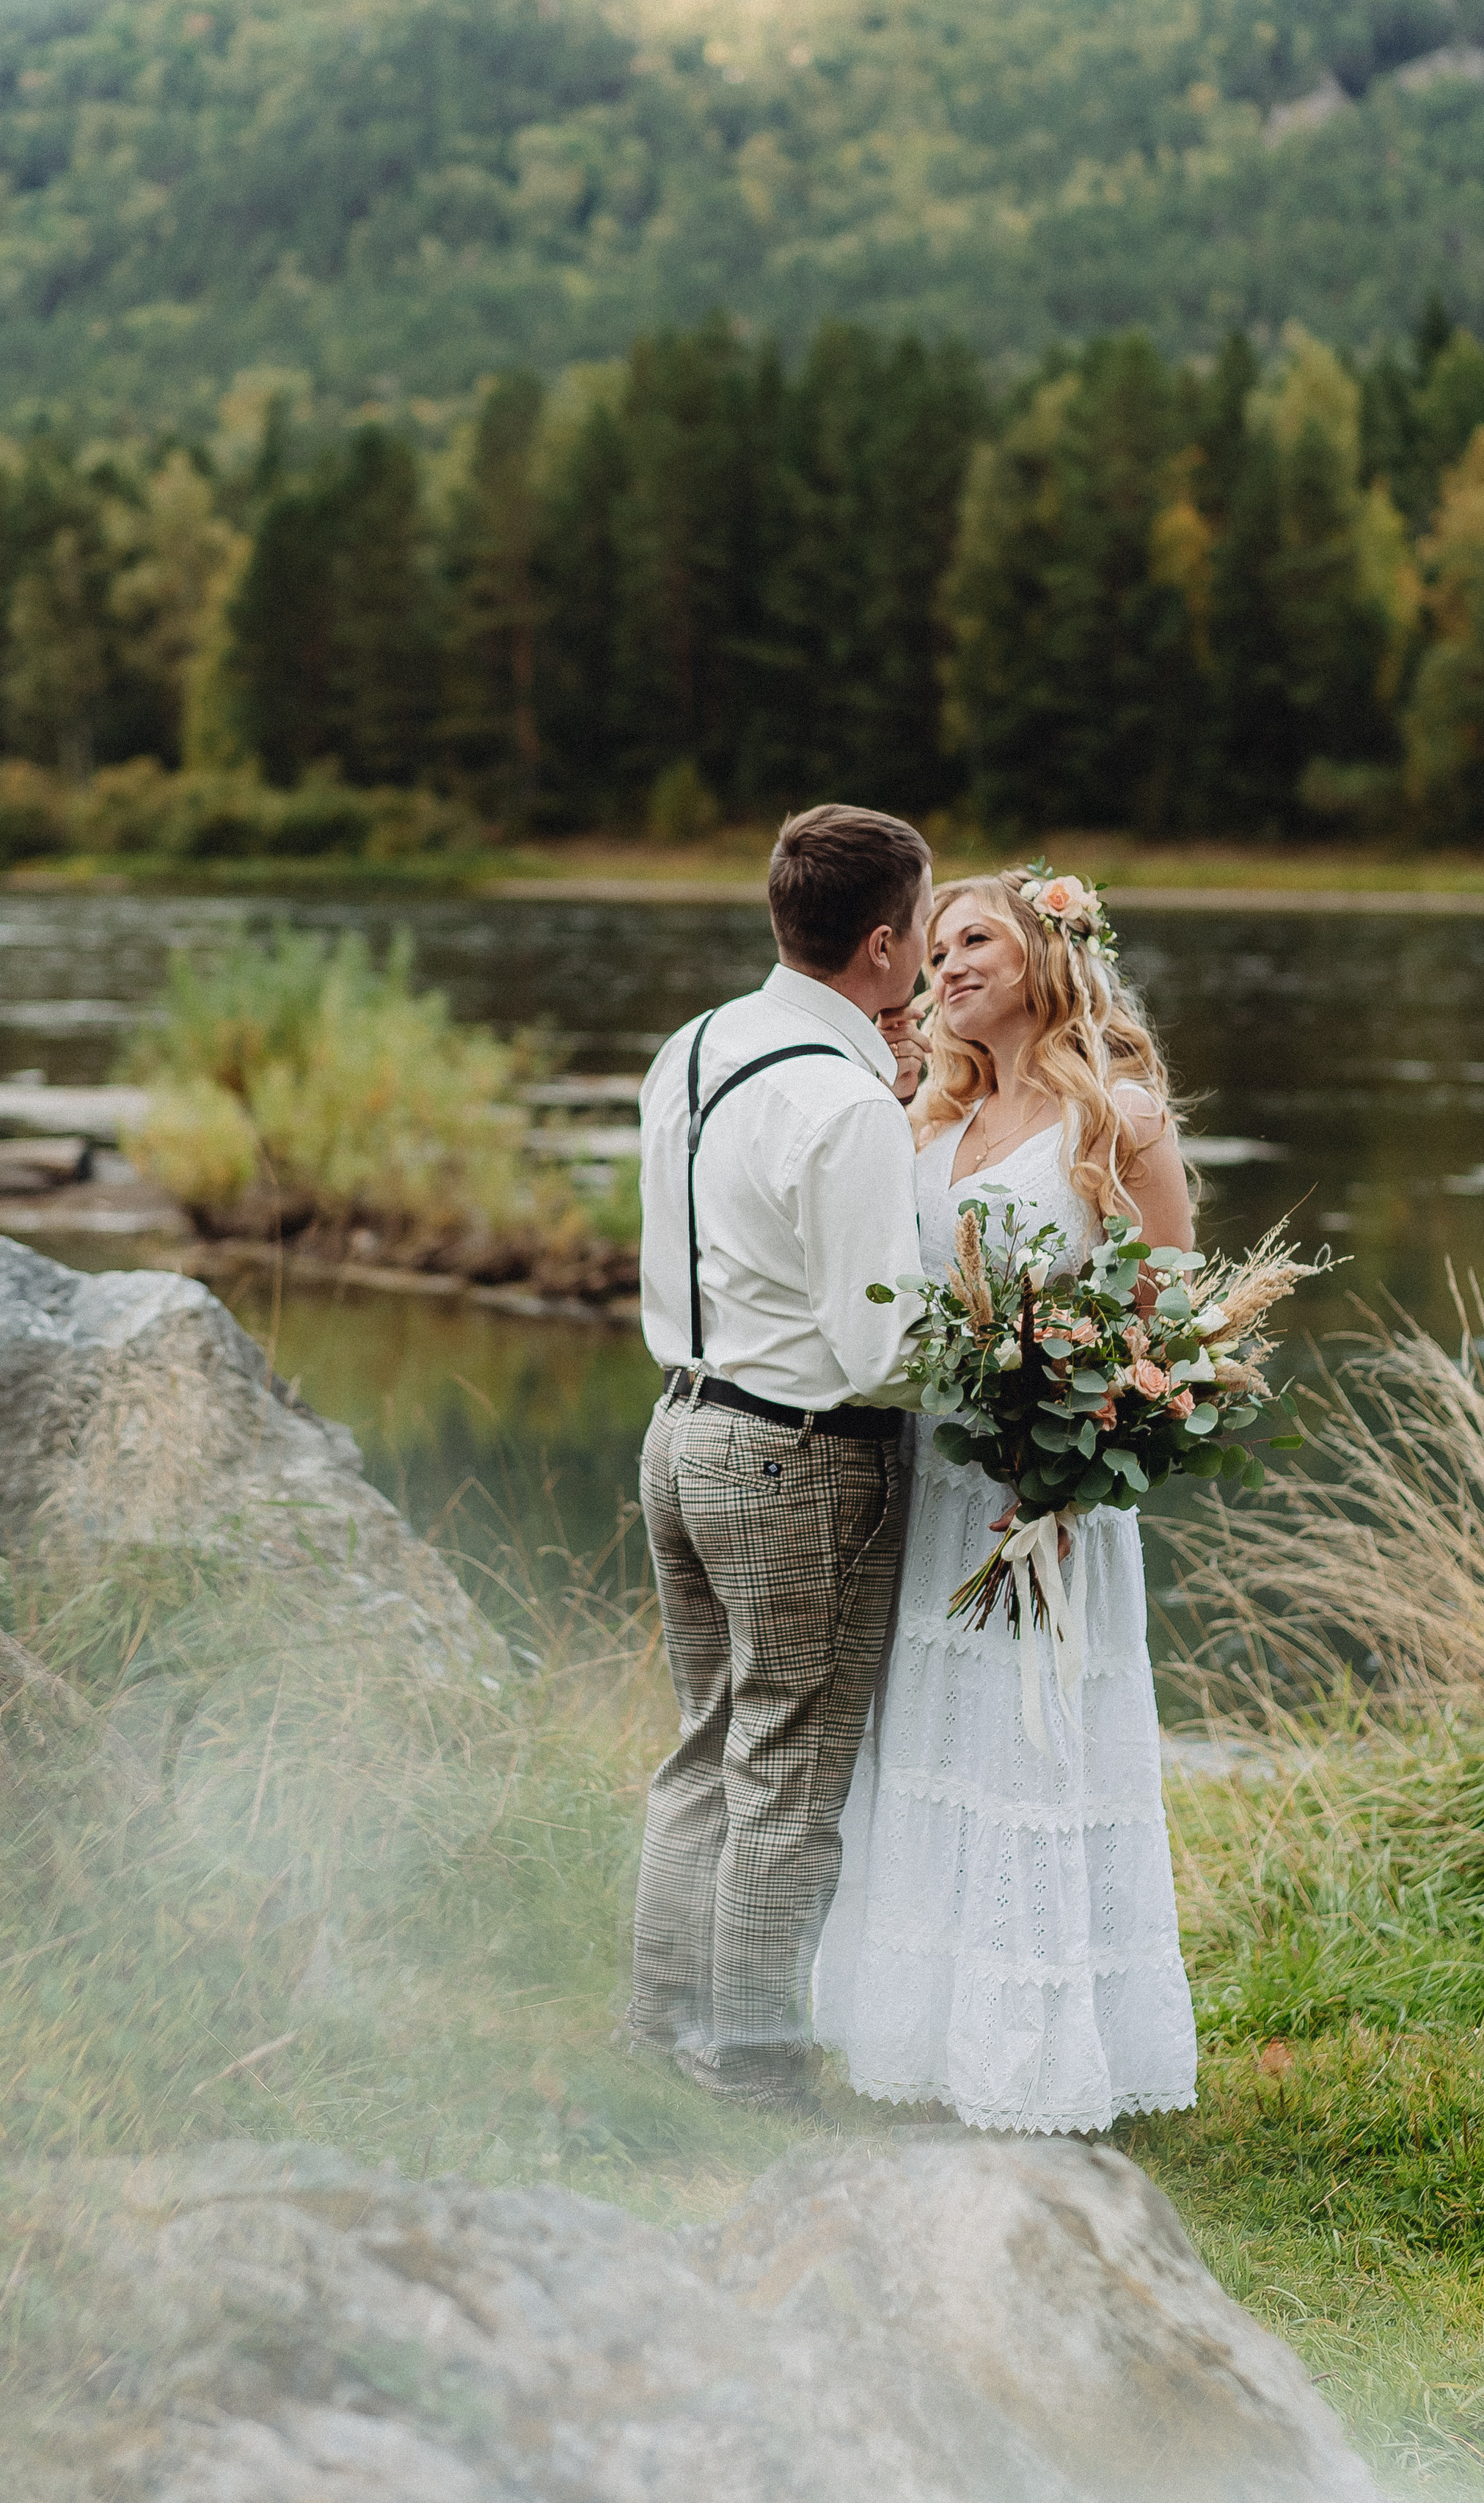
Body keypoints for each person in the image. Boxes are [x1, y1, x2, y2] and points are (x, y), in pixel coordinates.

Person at [814, 866, 1200, 2133]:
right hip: (939, 1483)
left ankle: (1038, 2052)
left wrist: (1082, 1452)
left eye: (973, 938)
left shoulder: (1119, 1115)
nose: (944, 966)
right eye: (933, 951)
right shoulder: (928, 1118)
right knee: (931, 1739)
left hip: (1053, 1501)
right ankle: (921, 2041)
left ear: (1044, 951)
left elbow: (1172, 1321)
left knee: (1034, 1748)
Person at [627, 802, 933, 2113]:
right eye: (922, 929)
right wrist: (1018, 1371)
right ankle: (754, 2066)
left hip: (680, 1432)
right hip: (799, 1463)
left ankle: (663, 2026)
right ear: (881, 944)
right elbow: (885, 1351)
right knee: (792, 1778)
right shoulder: (844, 1103)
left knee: (705, 1746)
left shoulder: (693, 1047)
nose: (925, 955)